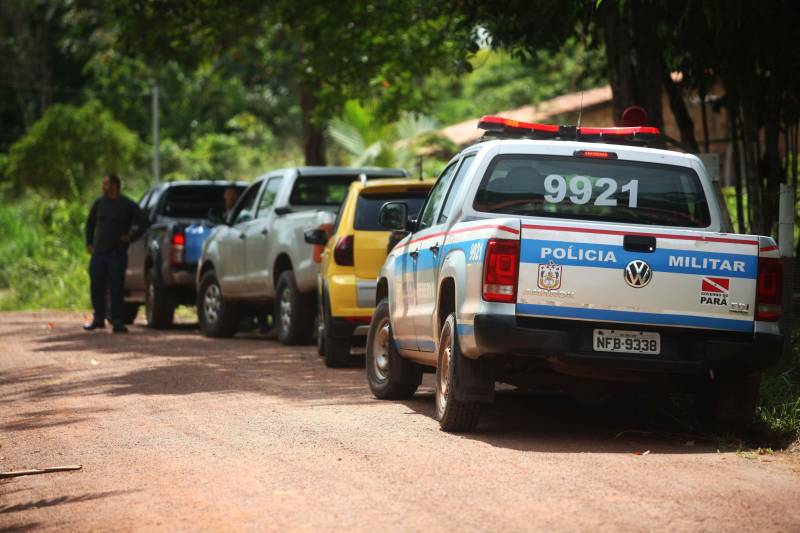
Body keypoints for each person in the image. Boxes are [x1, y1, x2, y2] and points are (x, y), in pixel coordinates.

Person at [84, 174, 147, 333]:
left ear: (114, 186)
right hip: (99, 252)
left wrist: (130, 236)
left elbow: (143, 222)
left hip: (117, 253)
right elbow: (90, 224)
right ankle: (98, 318)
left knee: (117, 287)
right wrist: (89, 243)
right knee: (96, 285)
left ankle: (117, 320)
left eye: (106, 184)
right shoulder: (99, 204)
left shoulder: (127, 205)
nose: (103, 187)